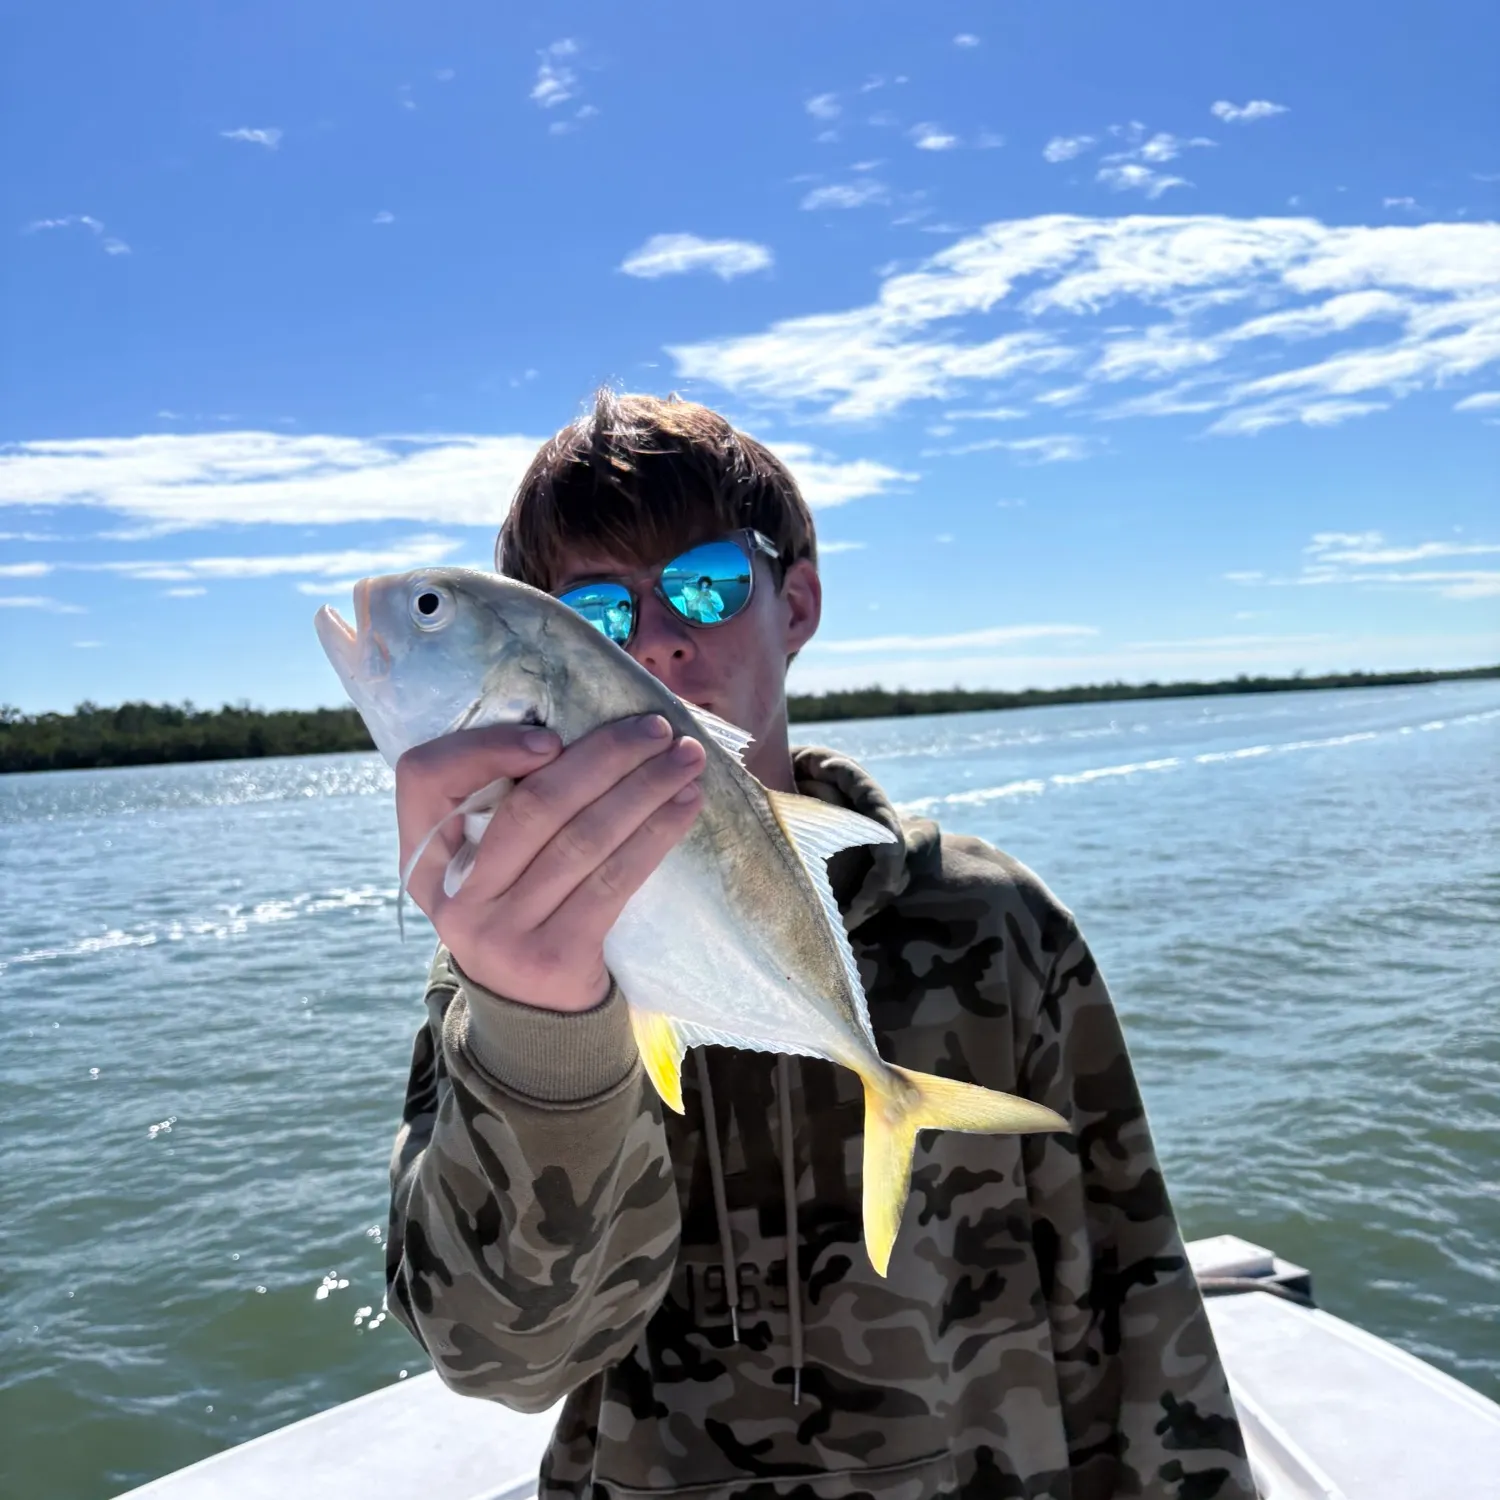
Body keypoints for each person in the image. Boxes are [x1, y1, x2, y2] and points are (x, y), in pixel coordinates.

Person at [385, 390, 1256, 1500]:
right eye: (598, 614)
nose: (658, 639)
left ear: (794, 603)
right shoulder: (503, 972)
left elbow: (1130, 1289)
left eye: (706, 583)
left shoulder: (994, 923)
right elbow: (501, 1363)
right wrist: (541, 1028)